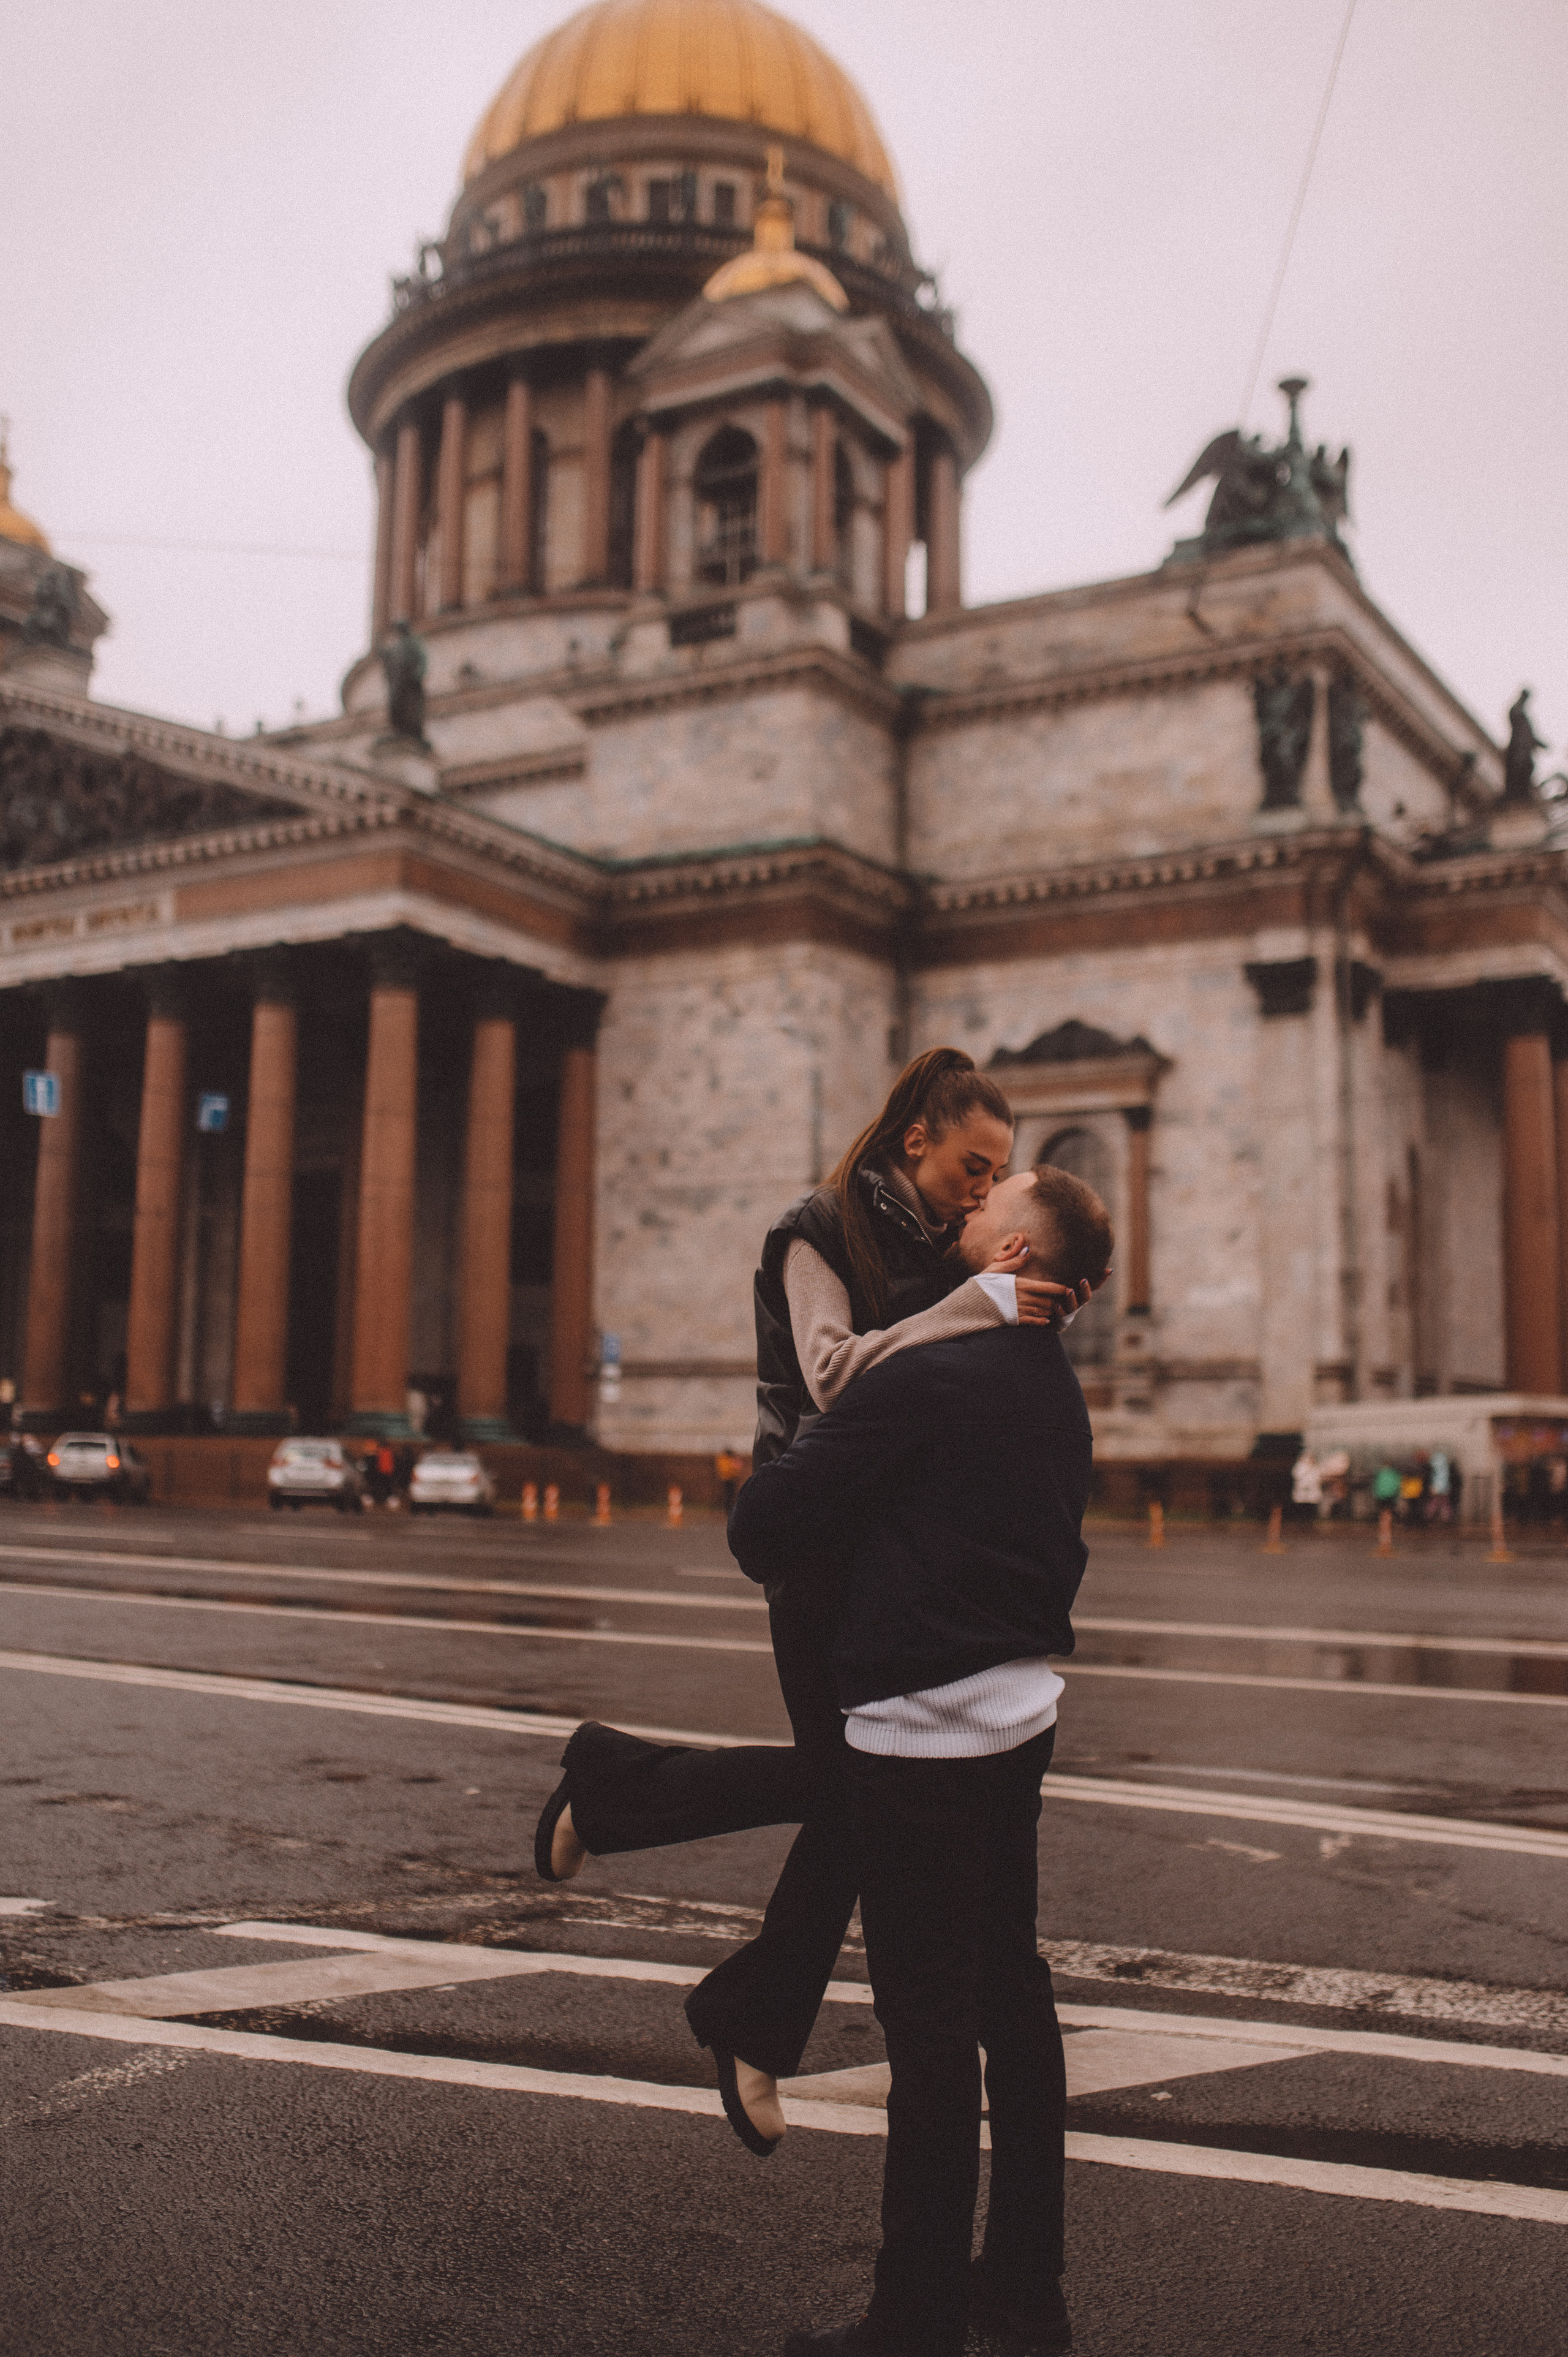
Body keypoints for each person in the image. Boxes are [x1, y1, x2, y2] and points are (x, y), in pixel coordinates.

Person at [534, 1049, 1091, 2152]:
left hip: (884, 1560)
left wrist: (1014, 1320)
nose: (982, 1195)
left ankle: (637, 1834)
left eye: (998, 1179)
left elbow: (946, 1390)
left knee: (858, 1796)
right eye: (970, 1168)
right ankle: (616, 1805)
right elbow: (834, 1372)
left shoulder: (943, 1252)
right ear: (913, 1139)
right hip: (813, 1547)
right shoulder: (815, 1232)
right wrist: (977, 1308)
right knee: (855, 1790)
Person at [731, 1164, 1112, 2357]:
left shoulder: (932, 1374)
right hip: (1018, 1725)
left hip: (917, 1737)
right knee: (1012, 1994)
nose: (967, 1204)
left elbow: (765, 1527)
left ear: (1011, 1254)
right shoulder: (1050, 1384)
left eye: (993, 1197)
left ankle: (911, 2320)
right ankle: (1024, 2287)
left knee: (931, 2030)